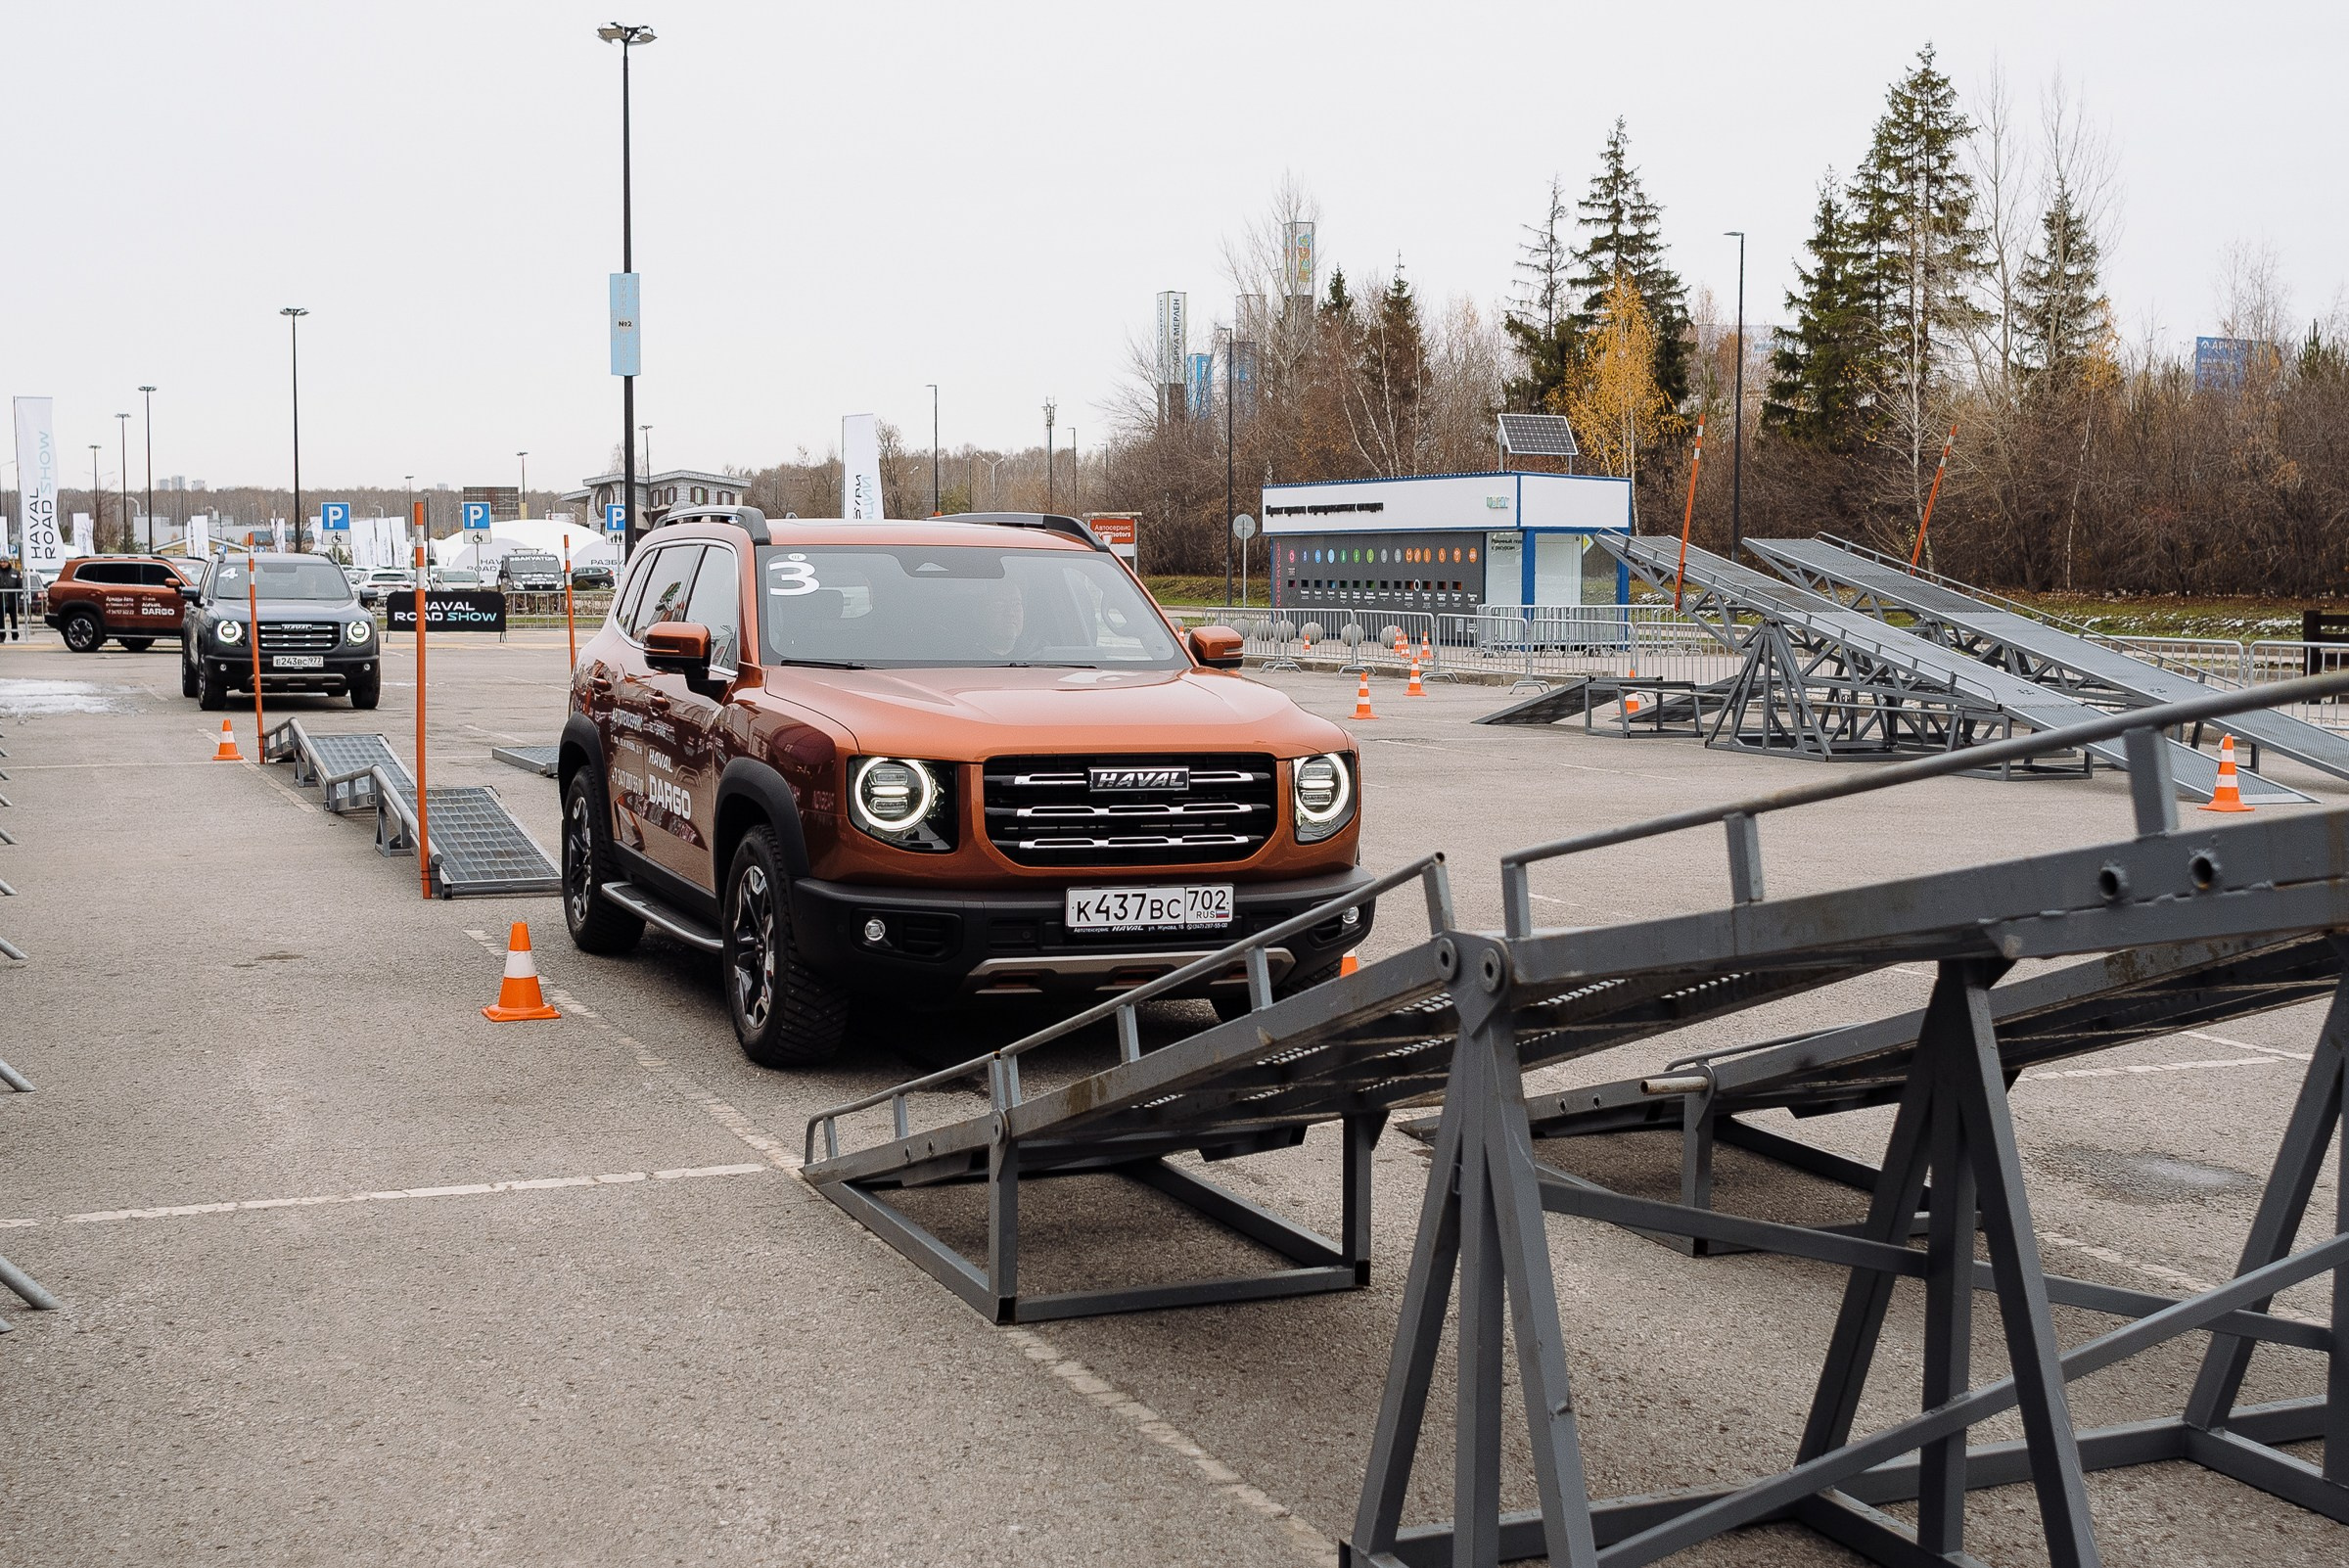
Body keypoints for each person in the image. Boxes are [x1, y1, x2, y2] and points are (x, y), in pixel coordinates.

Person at [0, 557, 21, 641]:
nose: (2, 564)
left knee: (14, 619)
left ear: (8, 562)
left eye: (4, 562)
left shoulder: (15, 572)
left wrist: (17, 597)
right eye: (1, 562)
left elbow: (19, 585)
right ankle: (2, 636)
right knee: (0, 619)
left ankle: (15, 635)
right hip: (1, 600)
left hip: (12, 599)